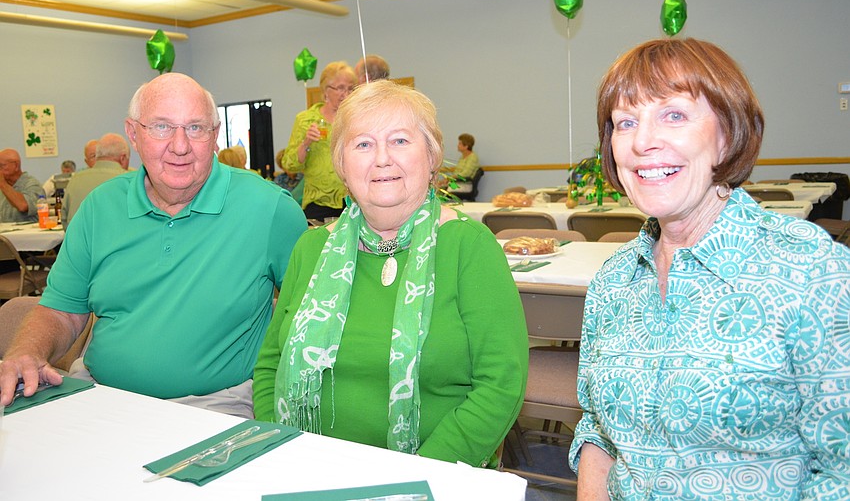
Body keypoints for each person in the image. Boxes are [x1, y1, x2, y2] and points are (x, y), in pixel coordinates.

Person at [570, 38, 850, 499]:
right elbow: (598, 433)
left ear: (727, 132)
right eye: (626, 122)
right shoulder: (613, 281)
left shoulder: (811, 272)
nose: (643, 141)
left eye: (674, 114)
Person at [0, 73, 307, 418]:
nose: (180, 145)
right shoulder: (100, 207)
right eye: (161, 127)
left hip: (215, 406)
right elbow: (61, 310)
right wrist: (27, 351)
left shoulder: (270, 210)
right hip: (100, 393)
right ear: (134, 134)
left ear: (215, 136)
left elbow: (310, 320)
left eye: (195, 128)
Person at [254, 80, 528, 467]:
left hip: (433, 474)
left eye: (400, 140)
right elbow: (271, 365)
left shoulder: (470, 248)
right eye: (363, 144)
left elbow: (501, 387)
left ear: (432, 157)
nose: (382, 158)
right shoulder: (310, 249)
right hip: (306, 468)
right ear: (342, 166)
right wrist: (283, 451)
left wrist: (417, 477)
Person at [281, 61, 354, 221]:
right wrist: (306, 143)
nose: (347, 94)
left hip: (354, 200)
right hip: (318, 203)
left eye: (350, 88)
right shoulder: (306, 120)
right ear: (326, 90)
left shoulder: (356, 119)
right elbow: (290, 164)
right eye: (341, 88)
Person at [61, 133, 130, 225]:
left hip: (80, 238)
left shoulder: (75, 180)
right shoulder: (130, 180)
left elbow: (65, 219)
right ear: (123, 158)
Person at [0, 148, 41, 223]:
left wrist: (2, 184)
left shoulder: (32, 184)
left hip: (28, 234)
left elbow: (23, 206)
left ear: (16, 165)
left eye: (1, 166)